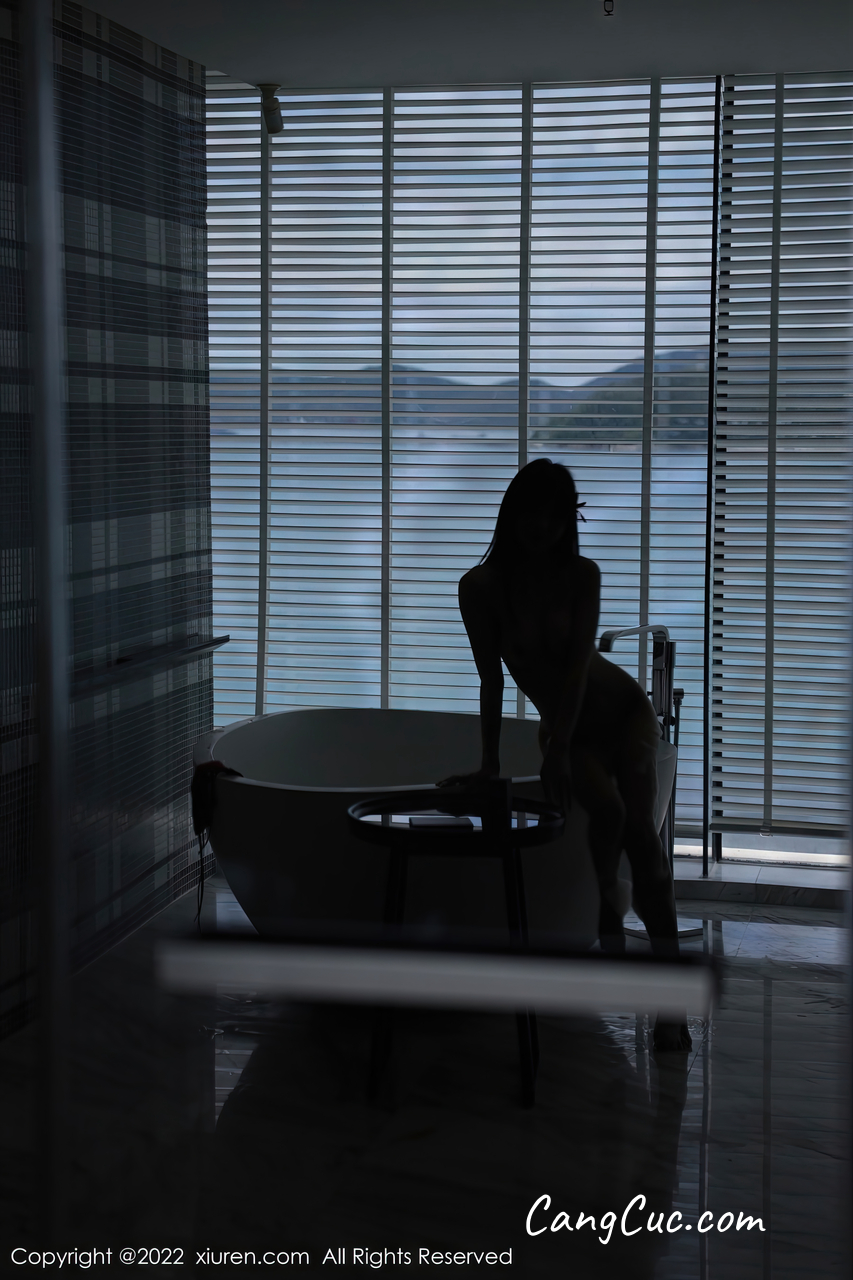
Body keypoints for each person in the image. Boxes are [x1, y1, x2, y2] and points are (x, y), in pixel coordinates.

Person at [439, 458, 691, 1052]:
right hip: (565, 730)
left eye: (556, 516)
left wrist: (557, 745)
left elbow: (578, 668)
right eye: (533, 512)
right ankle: (608, 905)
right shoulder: (479, 588)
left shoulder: (582, 574)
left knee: (643, 842)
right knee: (611, 815)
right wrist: (490, 763)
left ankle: (672, 1005)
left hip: (622, 714)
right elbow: (491, 680)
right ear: (511, 512)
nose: (543, 527)